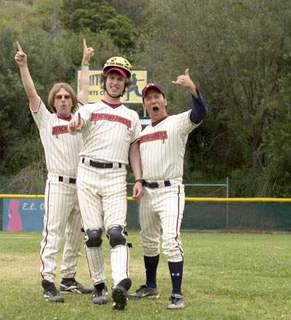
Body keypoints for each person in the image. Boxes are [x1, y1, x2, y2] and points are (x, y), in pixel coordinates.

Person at [14, 39, 94, 303]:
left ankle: (69, 278)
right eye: (58, 97)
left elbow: (84, 86)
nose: (62, 100)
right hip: (58, 184)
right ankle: (48, 281)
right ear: (53, 101)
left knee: (77, 234)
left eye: (66, 97)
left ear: (72, 101)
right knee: (54, 232)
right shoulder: (45, 119)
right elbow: (31, 94)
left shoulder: (79, 116)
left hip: (82, 183)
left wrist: (85, 62)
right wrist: (23, 66)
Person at [68, 57, 143, 310]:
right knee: (93, 235)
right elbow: (76, 124)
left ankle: (120, 284)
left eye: (119, 78)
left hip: (116, 176)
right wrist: (74, 124)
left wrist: (139, 178)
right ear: (104, 81)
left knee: (116, 233)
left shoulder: (131, 116)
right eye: (111, 77)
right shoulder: (89, 109)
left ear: (126, 84)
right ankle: (99, 284)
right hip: (88, 173)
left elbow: (134, 149)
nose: (114, 81)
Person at [130, 69, 208, 309]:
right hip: (148, 191)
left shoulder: (178, 122)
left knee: (170, 240)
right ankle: (151, 286)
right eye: (148, 98)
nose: (153, 101)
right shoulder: (143, 132)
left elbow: (200, 113)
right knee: (148, 241)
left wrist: (192, 88)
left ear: (164, 100)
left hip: (170, 189)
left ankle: (176, 294)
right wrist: (139, 181)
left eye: (156, 97)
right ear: (144, 105)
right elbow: (138, 160)